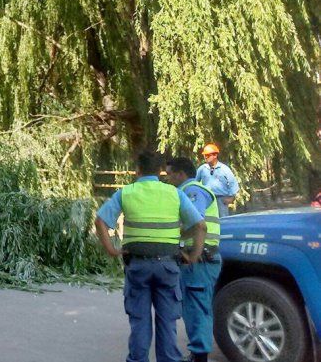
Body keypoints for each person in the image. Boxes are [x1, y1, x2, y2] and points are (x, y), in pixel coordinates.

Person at [95, 150, 207, 362]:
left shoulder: (126, 192)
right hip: (168, 266)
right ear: (160, 171)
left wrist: (112, 250)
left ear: (138, 170)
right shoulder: (174, 193)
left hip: (137, 265)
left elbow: (100, 221)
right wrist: (193, 256)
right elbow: (200, 226)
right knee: (167, 321)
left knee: (139, 320)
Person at [166, 157, 222, 362]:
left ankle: (199, 356)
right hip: (199, 259)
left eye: (170, 174)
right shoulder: (188, 191)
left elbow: (197, 224)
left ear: (181, 174)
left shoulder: (192, 191)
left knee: (197, 309)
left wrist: (191, 253)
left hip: (200, 260)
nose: (168, 178)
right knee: (194, 308)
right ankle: (197, 353)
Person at [196, 144, 239, 217]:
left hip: (221, 199)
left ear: (215, 155)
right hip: (207, 199)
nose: (206, 157)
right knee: (208, 219)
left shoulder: (224, 169)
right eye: (205, 155)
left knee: (223, 220)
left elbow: (233, 183)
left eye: (208, 155)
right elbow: (194, 182)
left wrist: (231, 198)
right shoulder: (202, 169)